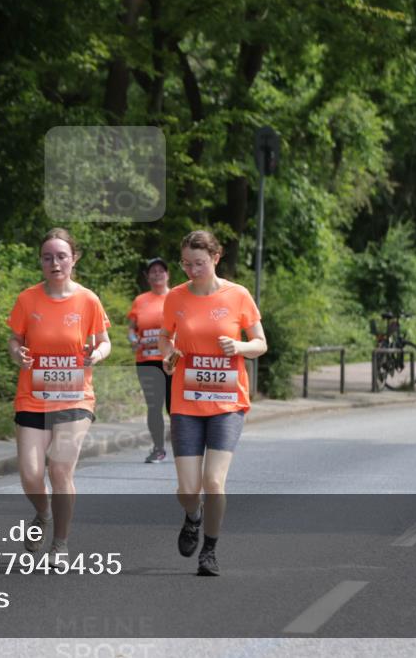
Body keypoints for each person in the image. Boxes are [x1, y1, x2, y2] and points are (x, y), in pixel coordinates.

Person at [158, 230, 267, 576]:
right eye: (186, 264)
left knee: (214, 482)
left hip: (227, 401)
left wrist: (240, 348)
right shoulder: (175, 297)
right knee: (188, 489)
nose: (192, 270)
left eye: (199, 263)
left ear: (216, 258)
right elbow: (165, 336)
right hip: (186, 402)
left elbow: (261, 343)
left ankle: (210, 550)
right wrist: (167, 355)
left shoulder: (238, 295)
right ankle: (193, 516)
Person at [7, 228, 111, 563]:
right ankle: (44, 513)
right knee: (30, 473)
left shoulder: (88, 300)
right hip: (33, 397)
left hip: (74, 398)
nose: (55, 263)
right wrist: (17, 354)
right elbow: (14, 339)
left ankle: (61, 543)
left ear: (74, 259)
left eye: (61, 256)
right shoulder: (27, 299)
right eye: (48, 257)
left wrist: (96, 355)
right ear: (41, 261)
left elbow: (105, 341)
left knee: (60, 469)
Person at [128, 258, 173, 463]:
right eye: (152, 271)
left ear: (167, 275)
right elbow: (131, 329)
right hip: (146, 360)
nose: (157, 274)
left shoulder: (176, 297)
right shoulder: (140, 300)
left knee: (175, 406)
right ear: (147, 276)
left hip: (171, 359)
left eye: (161, 271)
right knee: (154, 406)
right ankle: (158, 448)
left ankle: (184, 446)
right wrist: (133, 341)